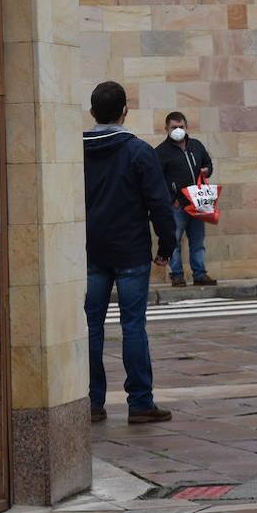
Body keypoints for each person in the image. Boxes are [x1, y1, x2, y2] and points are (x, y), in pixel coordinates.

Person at [83, 81, 176, 424]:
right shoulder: (138, 151)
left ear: (93, 112)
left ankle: (92, 401)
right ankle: (139, 402)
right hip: (131, 250)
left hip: (91, 250)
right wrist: (165, 248)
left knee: (91, 325)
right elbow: (159, 204)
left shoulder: (76, 150)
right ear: (125, 111)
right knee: (133, 325)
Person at [155, 111, 218, 287]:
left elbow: (208, 163)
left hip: (198, 203)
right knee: (174, 241)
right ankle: (177, 275)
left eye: (181, 127)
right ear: (166, 128)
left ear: (186, 127)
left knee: (197, 240)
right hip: (177, 205)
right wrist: (171, 199)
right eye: (174, 127)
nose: (178, 130)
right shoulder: (161, 152)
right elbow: (158, 179)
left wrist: (207, 170)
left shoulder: (196, 146)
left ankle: (199, 273)